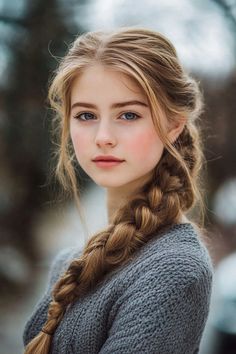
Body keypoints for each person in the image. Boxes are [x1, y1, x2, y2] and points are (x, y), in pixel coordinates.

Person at [23, 27, 213, 354]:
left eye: (128, 114)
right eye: (86, 115)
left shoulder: (174, 269)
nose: (103, 136)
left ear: (174, 124)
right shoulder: (70, 264)